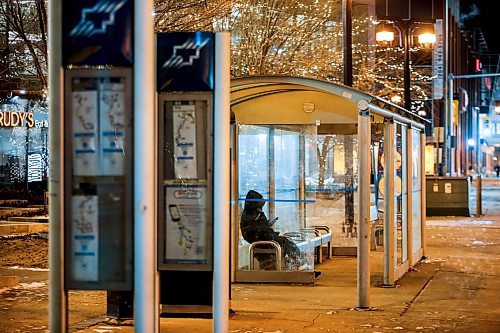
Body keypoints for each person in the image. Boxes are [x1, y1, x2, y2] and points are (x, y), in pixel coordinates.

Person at [240, 190, 301, 269]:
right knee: (286, 242)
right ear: (254, 205)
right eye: (259, 207)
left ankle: (296, 263)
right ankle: (296, 263)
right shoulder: (249, 216)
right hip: (261, 241)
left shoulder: (257, 213)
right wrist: (266, 226)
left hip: (265, 238)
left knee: (287, 242)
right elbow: (252, 232)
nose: (260, 209)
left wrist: (267, 224)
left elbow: (260, 226)